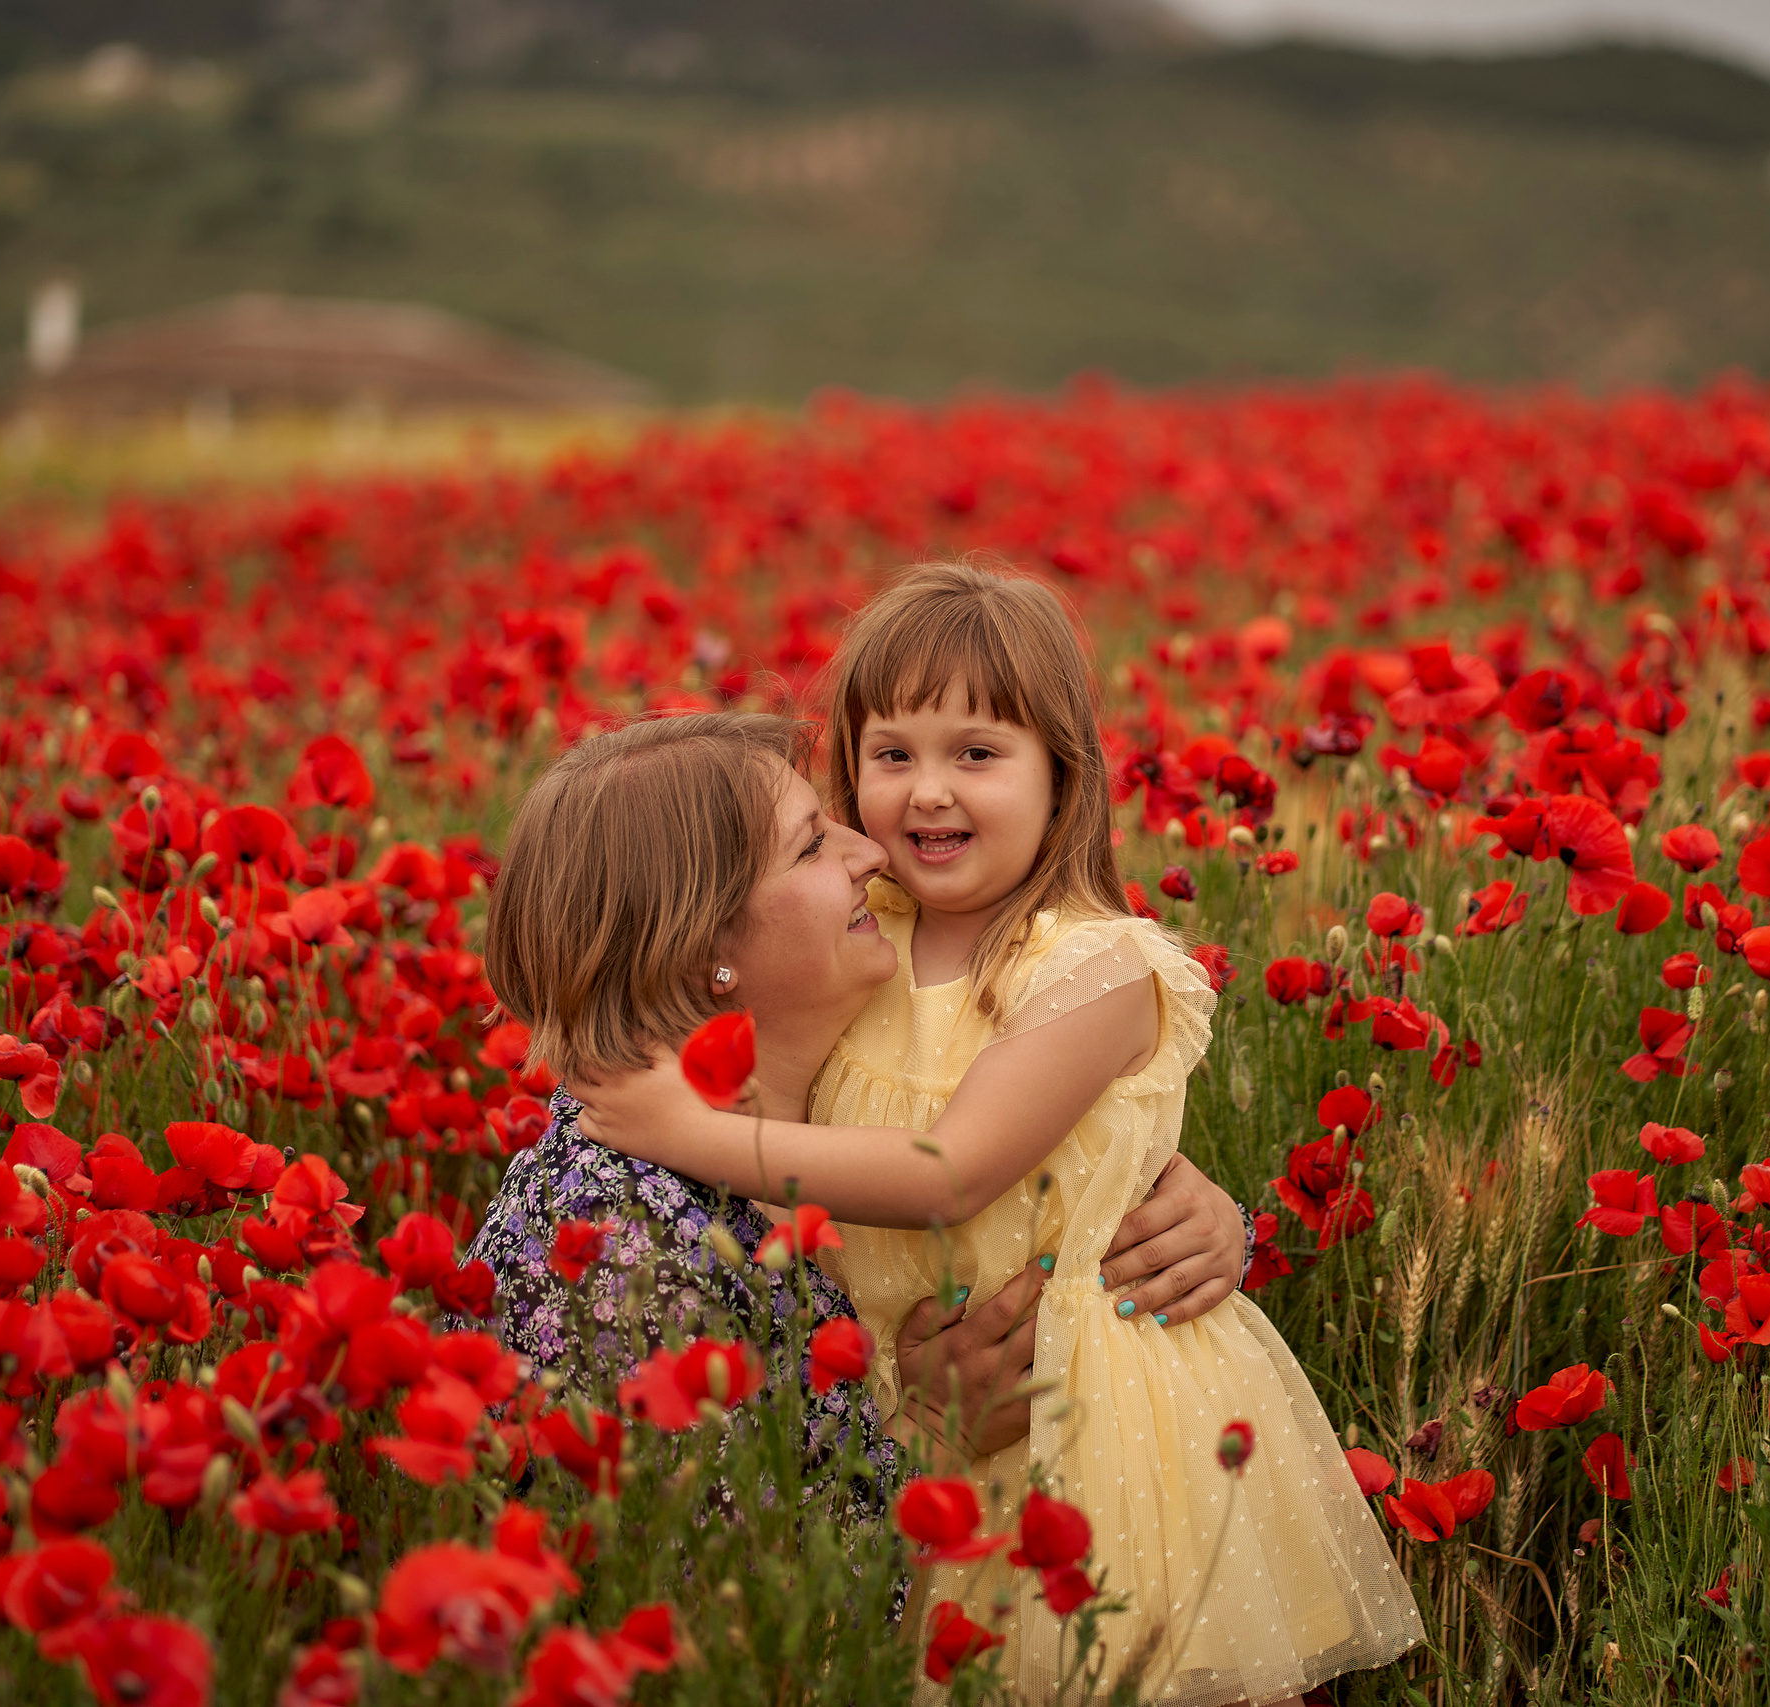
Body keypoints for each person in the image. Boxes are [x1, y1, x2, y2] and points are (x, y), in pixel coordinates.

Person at [575, 564, 1423, 1707]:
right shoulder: (861, 929)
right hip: (912, 1406)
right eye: (892, 756)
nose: (927, 793)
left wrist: (684, 1132)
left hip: (1086, 1416)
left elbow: (956, 1168)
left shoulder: (1091, 966)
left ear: (1063, 777)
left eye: (977, 754)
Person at [465, 712, 1254, 1512]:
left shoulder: (822, 1083)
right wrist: (930, 1432)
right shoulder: (619, 1239)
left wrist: (1191, 1210)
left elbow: (986, 1154)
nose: (871, 852)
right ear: (703, 949)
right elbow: (718, 1596)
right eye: (811, 845)